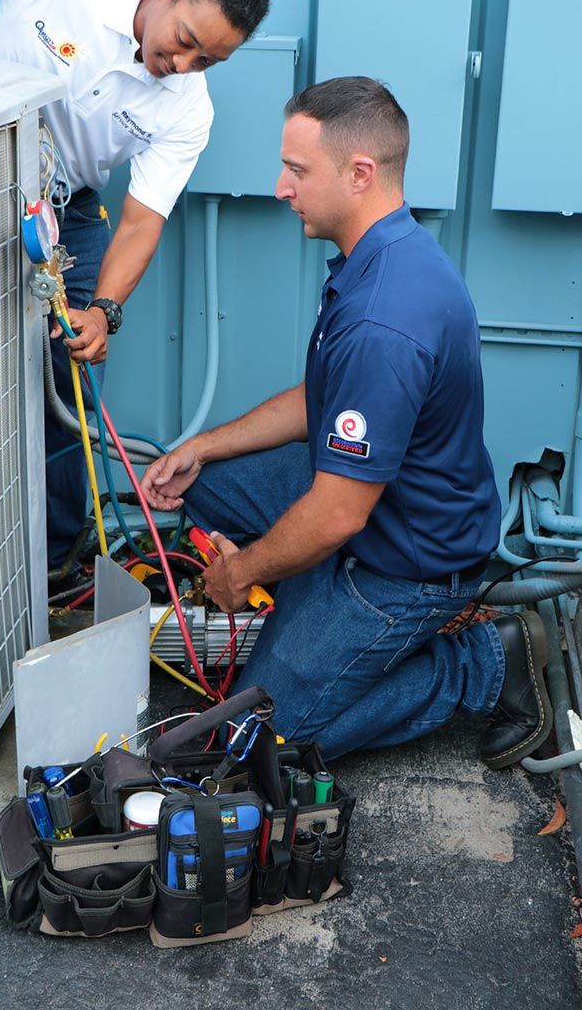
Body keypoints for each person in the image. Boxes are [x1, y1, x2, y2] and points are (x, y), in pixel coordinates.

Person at [141, 76, 553, 769]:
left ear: (359, 174)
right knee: (203, 483)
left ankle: (486, 664)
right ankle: (312, 608)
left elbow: (335, 517)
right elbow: (319, 399)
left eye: (297, 170)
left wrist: (241, 575)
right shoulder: (382, 256)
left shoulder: (385, 317)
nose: (280, 186)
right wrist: (201, 446)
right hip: (368, 500)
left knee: (258, 742)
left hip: (407, 562)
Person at [0, 0, 271, 574]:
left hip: (69, 214)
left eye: (210, 59)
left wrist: (103, 310)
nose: (185, 62)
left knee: (72, 387)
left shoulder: (187, 110)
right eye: (187, 37)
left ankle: (50, 568)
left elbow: (142, 219)